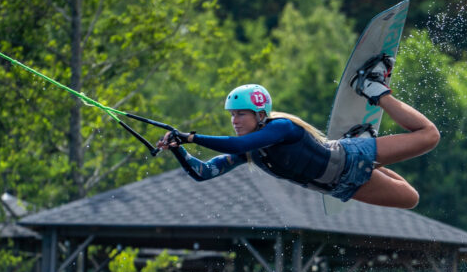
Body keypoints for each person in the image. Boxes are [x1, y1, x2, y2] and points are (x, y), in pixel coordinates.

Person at [156, 55, 439, 209]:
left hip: (350, 157)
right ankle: (360, 135)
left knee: (429, 135)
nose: (235, 121)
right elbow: (203, 172)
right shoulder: (251, 149)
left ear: (260, 114)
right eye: (232, 115)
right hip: (341, 186)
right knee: (410, 199)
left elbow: (232, 145)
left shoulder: (282, 128)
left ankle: (373, 88)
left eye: (241, 114)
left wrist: (190, 137)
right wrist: (178, 148)